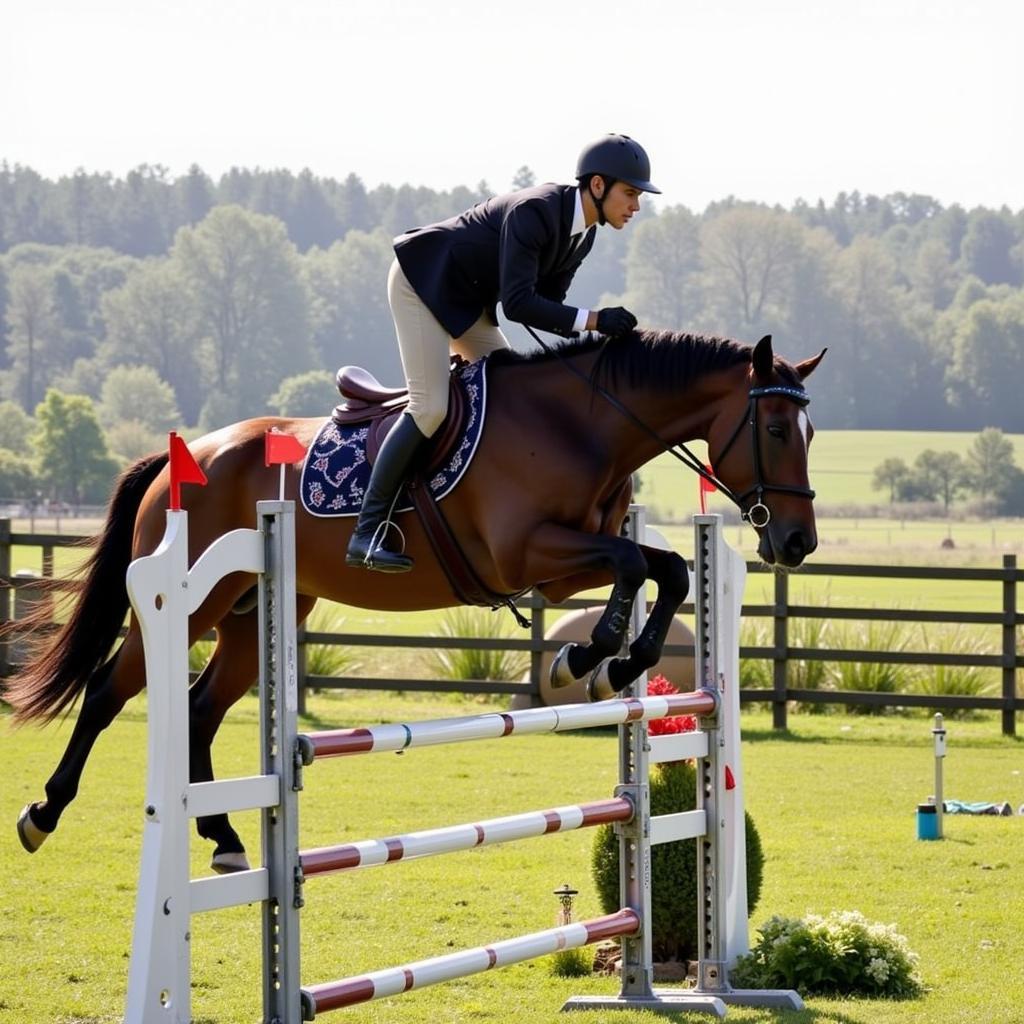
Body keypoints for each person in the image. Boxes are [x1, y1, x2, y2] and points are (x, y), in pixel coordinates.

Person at [346, 133, 661, 572]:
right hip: (422, 282)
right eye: (630, 194)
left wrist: (601, 337)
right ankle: (368, 531)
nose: (636, 206)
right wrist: (594, 319)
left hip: (465, 301)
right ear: (597, 186)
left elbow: (548, 308)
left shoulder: (582, 236)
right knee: (431, 406)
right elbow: (517, 305)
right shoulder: (536, 211)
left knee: (508, 395)